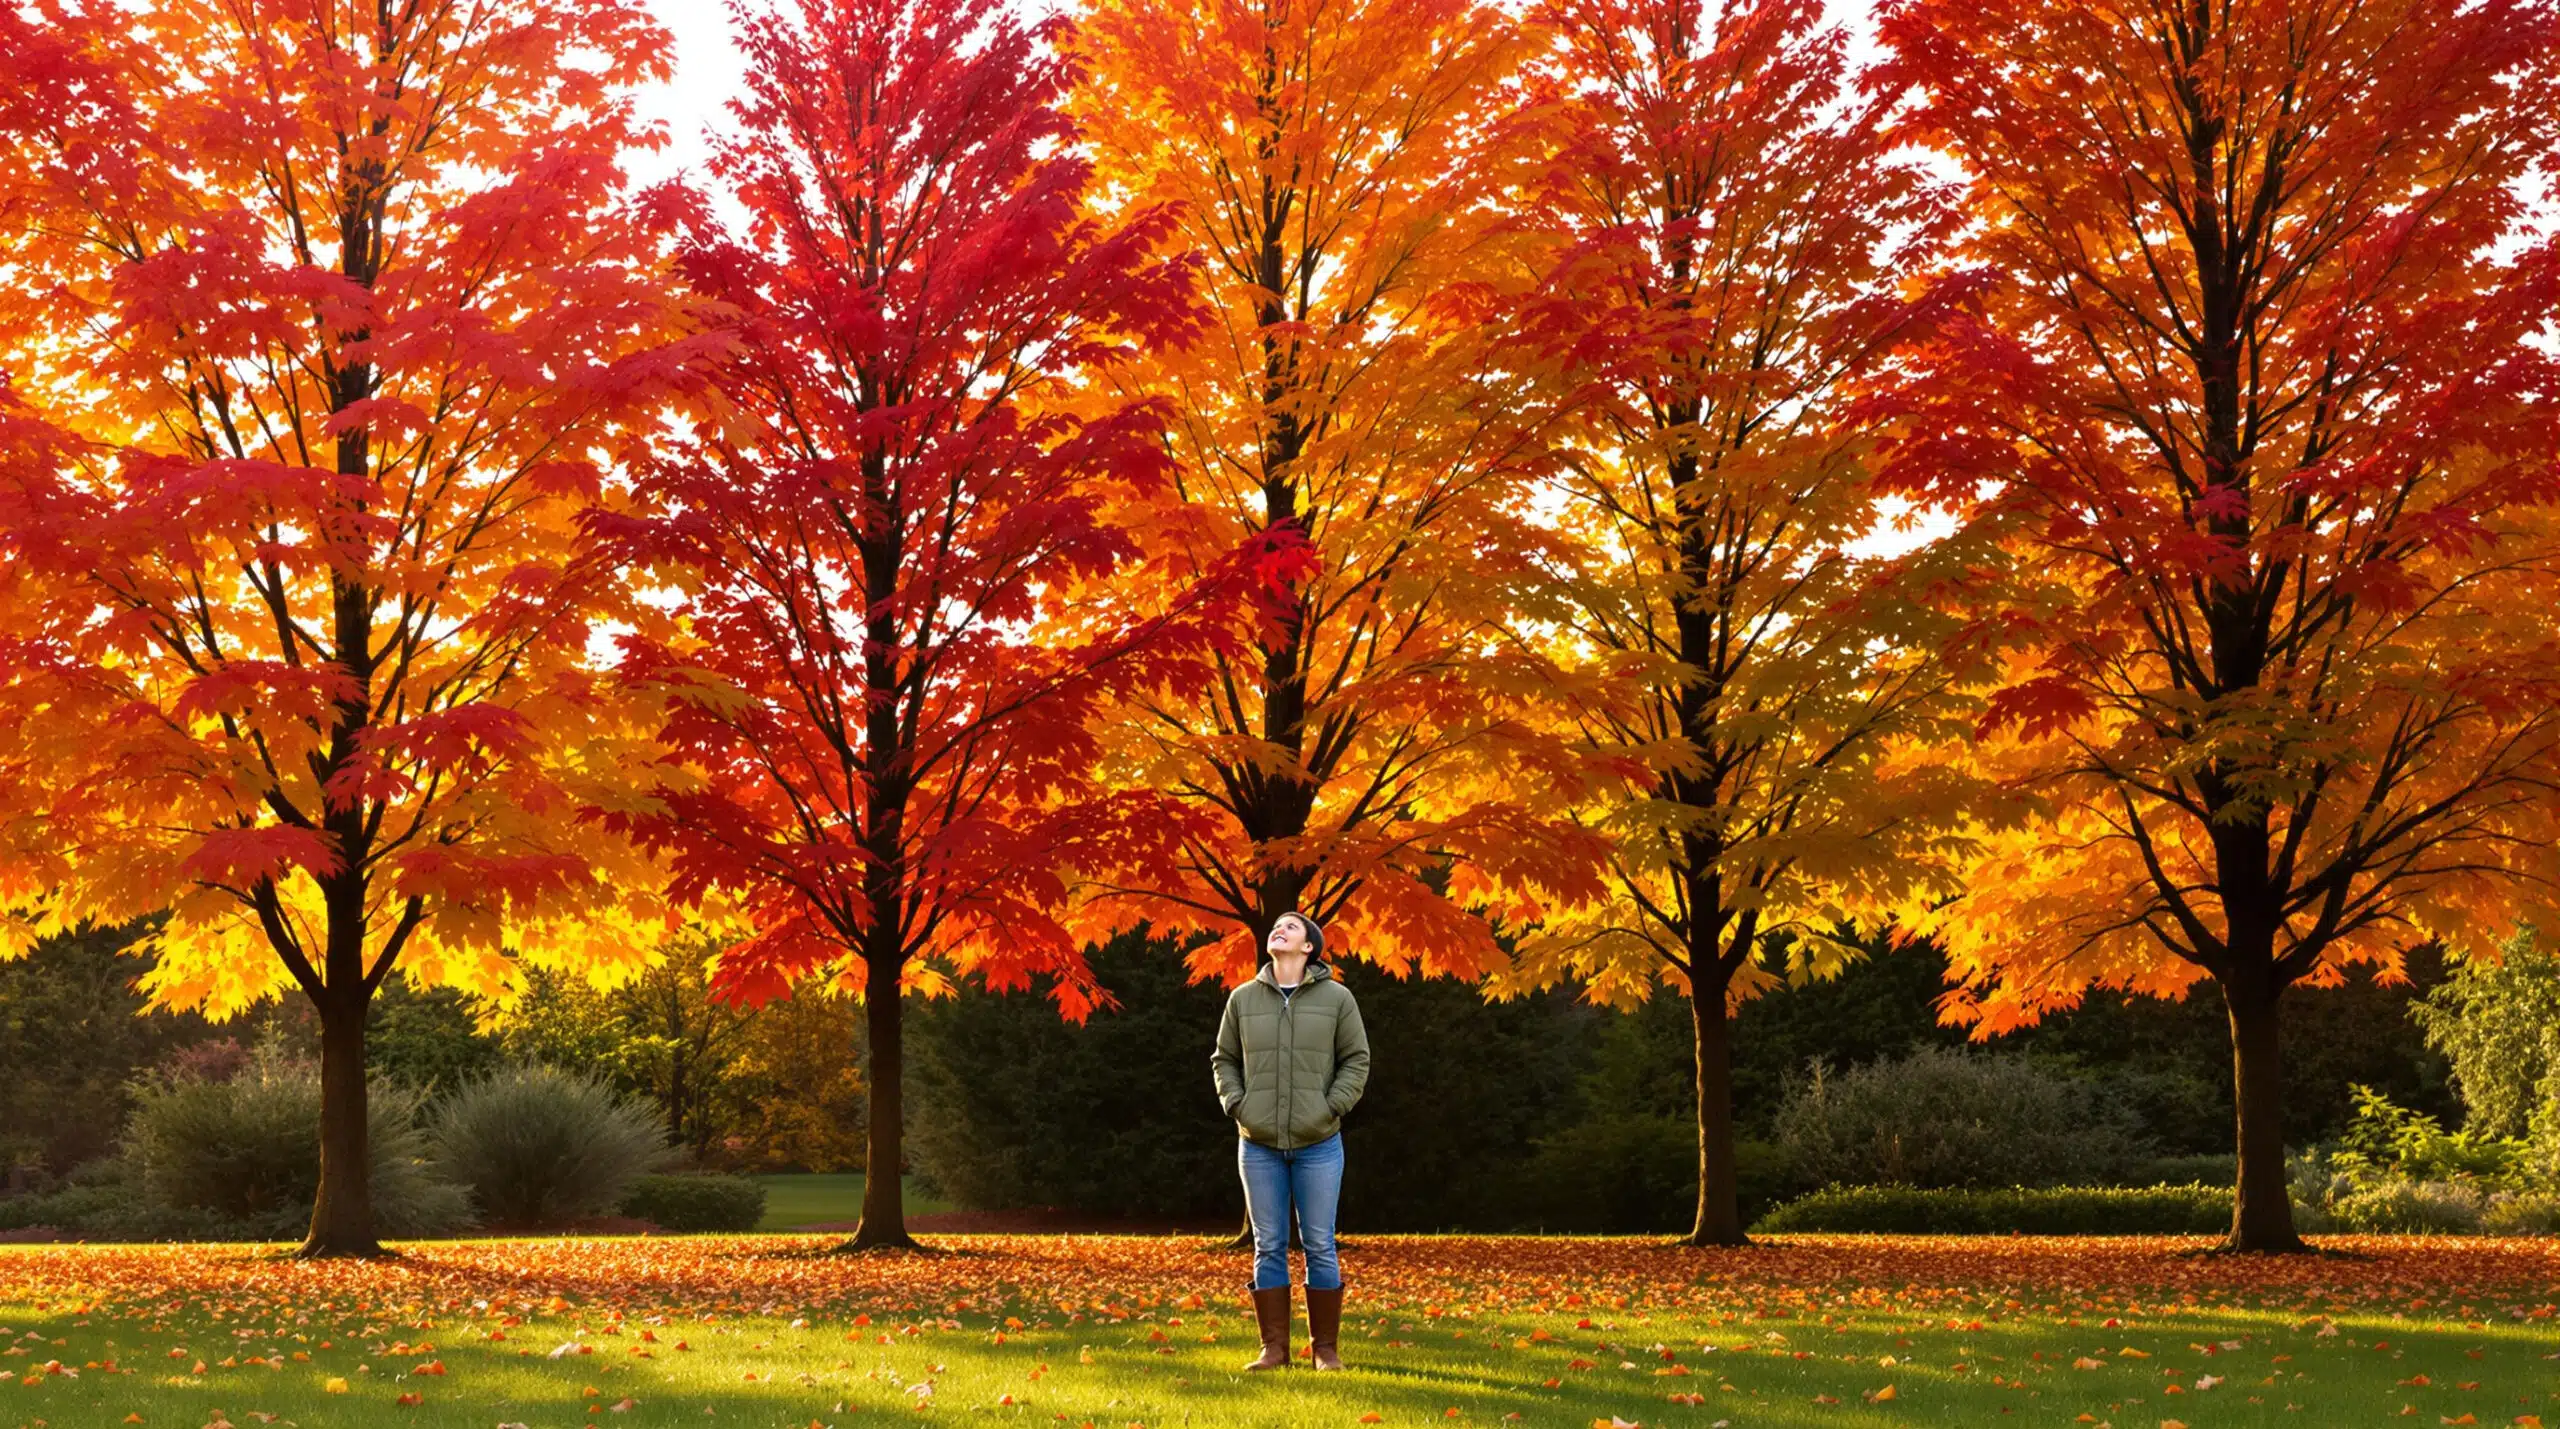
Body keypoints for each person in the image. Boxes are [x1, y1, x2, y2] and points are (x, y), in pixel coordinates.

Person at [1212, 910, 1369, 1371]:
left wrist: (1331, 1107)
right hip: (1257, 1143)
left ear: (1308, 948)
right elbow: (1224, 1059)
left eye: (1292, 927)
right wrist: (1239, 1106)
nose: (1279, 929)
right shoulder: (1242, 999)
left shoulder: (1338, 999)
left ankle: (1325, 1350)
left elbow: (1356, 1060)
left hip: (1319, 1142)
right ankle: (1274, 1350)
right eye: (1276, 925)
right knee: (1267, 1243)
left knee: (1320, 1243)